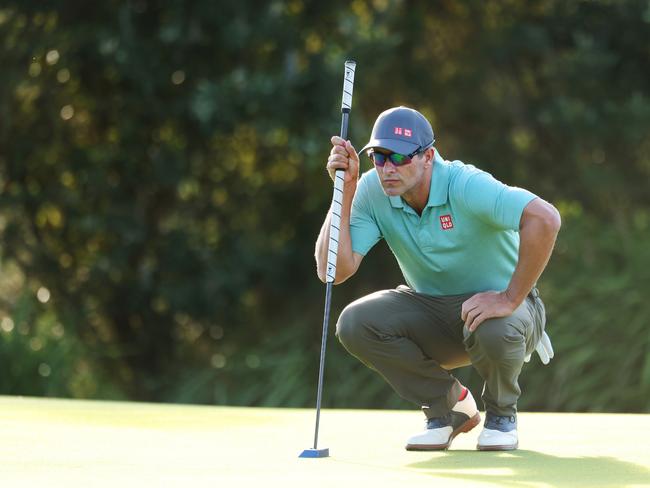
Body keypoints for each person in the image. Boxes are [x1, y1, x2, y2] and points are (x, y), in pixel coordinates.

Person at [315, 106, 561, 451]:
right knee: (355, 322)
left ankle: (501, 417)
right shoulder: (371, 190)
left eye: (399, 157)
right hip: (434, 312)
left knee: (493, 324)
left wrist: (509, 298)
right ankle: (448, 406)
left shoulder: (465, 184)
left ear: (428, 156)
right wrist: (345, 190)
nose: (388, 168)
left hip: (509, 311)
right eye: (379, 157)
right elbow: (334, 270)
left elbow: (545, 219)